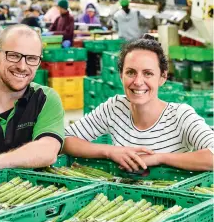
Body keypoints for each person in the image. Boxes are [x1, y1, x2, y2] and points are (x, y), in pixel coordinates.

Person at [63, 35, 213, 172]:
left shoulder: (180, 116)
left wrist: (160, 158)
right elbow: (64, 139)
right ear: (121, 75)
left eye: (148, 73)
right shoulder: (115, 108)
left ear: (162, 77)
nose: (138, 82)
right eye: (131, 72)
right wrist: (109, 151)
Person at [0, 24, 64, 178]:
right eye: (14, 55)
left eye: (31, 58)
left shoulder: (45, 99)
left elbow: (47, 151)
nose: (22, 66)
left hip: (33, 197)